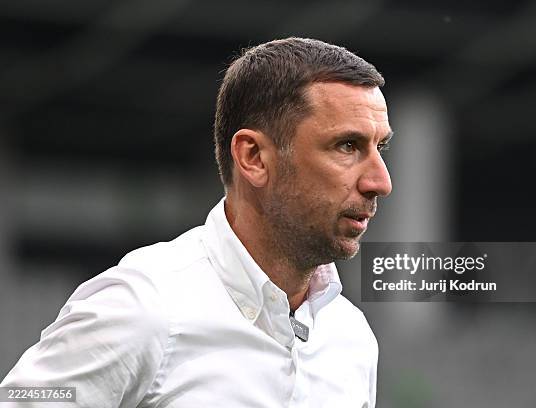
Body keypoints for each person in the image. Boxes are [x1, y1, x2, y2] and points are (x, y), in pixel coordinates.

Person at [1, 37, 393, 407]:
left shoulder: (350, 338)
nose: (381, 181)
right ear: (254, 157)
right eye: (347, 146)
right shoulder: (143, 309)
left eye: (380, 147)